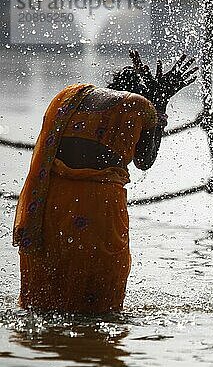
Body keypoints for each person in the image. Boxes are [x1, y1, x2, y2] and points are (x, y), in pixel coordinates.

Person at [13, 50, 198, 313]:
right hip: (98, 206)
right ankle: (91, 340)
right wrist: (161, 103)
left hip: (51, 200)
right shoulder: (137, 106)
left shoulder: (71, 95)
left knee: (49, 285)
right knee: (101, 288)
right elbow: (145, 160)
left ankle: (47, 343)